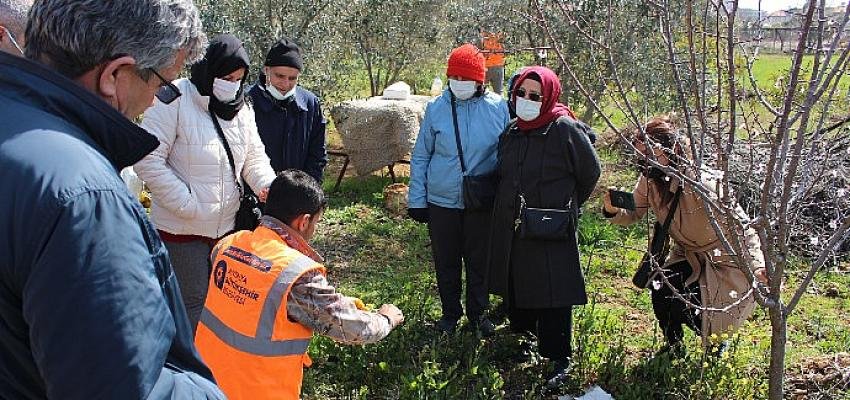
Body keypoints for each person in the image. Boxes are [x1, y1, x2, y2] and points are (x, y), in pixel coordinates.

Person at [0, 0, 225, 398]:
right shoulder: (84, 197)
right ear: (114, 75)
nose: (155, 100)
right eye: (160, 83)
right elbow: (125, 386)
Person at [196, 169, 404, 400]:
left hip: (208, 381)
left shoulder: (229, 245)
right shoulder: (295, 273)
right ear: (304, 221)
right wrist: (386, 318)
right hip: (259, 388)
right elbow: (351, 328)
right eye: (316, 222)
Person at [135, 34, 277, 334]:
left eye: (238, 78)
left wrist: (268, 186)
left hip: (226, 228)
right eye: (226, 77)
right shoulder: (173, 99)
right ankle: (190, 372)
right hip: (181, 229)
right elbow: (147, 159)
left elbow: (254, 158)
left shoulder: (242, 109)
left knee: (220, 301)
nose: (232, 84)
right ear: (207, 70)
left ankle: (211, 365)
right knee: (192, 304)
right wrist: (187, 204)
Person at [602, 116, 766, 356]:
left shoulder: (704, 184)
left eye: (650, 152)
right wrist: (612, 209)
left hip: (724, 263)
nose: (643, 160)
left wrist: (759, 267)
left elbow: (744, 228)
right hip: (688, 256)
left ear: (673, 149)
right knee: (662, 290)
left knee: (703, 311)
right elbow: (633, 211)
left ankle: (716, 345)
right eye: (640, 154)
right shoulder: (651, 180)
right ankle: (674, 347)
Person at [488, 66, 601, 388]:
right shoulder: (513, 129)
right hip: (514, 223)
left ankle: (558, 357)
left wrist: (567, 205)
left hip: (550, 225)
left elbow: (590, 172)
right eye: (521, 94)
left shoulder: (563, 128)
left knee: (553, 288)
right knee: (520, 277)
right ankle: (525, 336)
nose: (526, 100)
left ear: (548, 96)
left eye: (535, 96)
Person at [408, 43, 509, 336]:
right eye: (456, 77)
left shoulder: (498, 108)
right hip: (442, 201)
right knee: (446, 262)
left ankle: (478, 315)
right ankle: (450, 314)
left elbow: (507, 154)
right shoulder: (436, 108)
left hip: (481, 201)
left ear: (480, 80)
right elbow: (422, 154)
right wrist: (417, 199)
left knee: (480, 262)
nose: (460, 84)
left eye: (467, 79)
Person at [249, 38, 327, 183]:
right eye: (279, 76)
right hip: (256, 194)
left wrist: (307, 191)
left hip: (297, 196)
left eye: (292, 78)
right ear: (266, 70)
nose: (285, 84)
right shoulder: (246, 103)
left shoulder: (310, 104)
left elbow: (317, 155)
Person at [480, 30, 506, 95]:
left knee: (481, 91)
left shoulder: (484, 34)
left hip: (486, 66)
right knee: (499, 92)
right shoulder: (500, 33)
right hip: (498, 65)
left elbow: (479, 50)